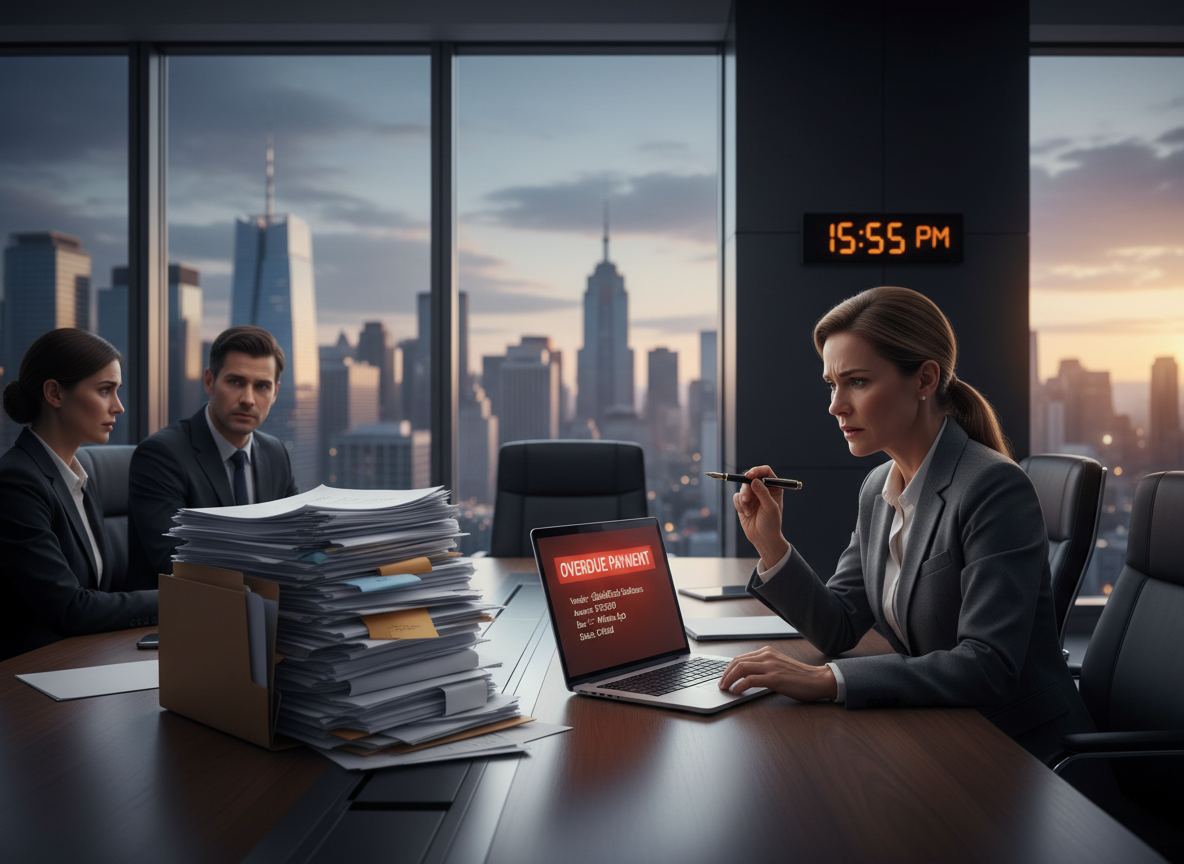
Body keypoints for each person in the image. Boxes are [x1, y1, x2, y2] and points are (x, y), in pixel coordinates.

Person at [718, 285, 1092, 763]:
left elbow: (989, 666)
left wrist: (826, 680)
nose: (836, 405)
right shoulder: (878, 487)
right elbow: (839, 626)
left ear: (924, 379)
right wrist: (771, 545)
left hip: (1021, 753)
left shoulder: (993, 487)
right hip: (939, 730)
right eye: (832, 385)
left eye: (856, 382)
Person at [0, 329, 158, 660]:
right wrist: (179, 600)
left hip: (87, 656)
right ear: (55, 393)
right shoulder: (16, 481)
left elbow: (103, 591)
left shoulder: (78, 475)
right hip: (33, 675)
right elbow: (71, 608)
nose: (119, 407)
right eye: (105, 391)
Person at [126, 325, 298, 589]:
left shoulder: (276, 454)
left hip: (268, 611)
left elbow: (299, 540)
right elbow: (177, 563)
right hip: (180, 618)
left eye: (261, 386)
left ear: (274, 393)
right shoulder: (162, 455)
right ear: (209, 381)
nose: (248, 399)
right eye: (235, 382)